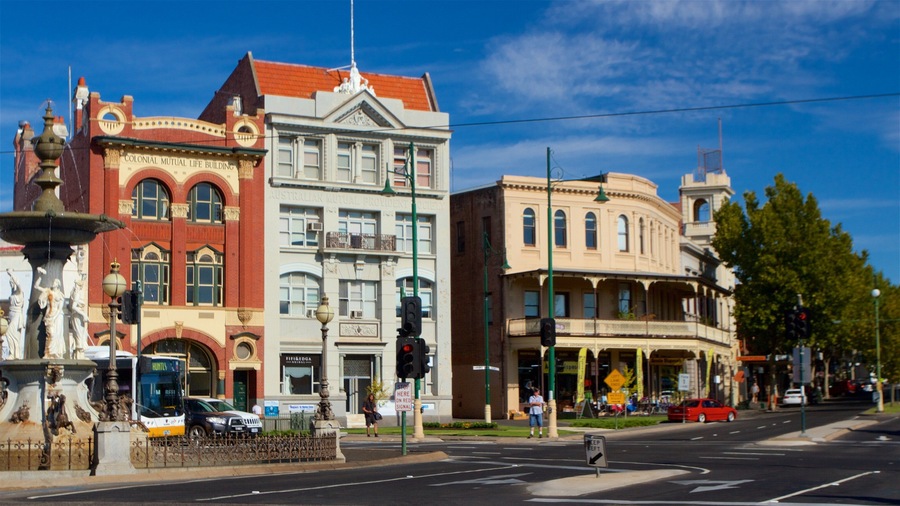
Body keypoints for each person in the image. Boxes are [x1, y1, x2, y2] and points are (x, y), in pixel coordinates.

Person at [34, 267, 66, 359]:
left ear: (58, 285)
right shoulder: (48, 291)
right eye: (54, 282)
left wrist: (55, 317)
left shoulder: (60, 296)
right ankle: (48, 353)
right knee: (50, 334)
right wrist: (40, 276)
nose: (54, 283)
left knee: (57, 335)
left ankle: (55, 352)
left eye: (56, 282)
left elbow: (60, 308)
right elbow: (36, 286)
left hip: (57, 316)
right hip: (49, 315)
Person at [5, 270, 26, 360]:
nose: (10, 284)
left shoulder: (20, 293)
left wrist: (11, 274)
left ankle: (13, 353)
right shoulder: (13, 293)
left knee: (9, 333)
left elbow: (19, 285)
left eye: (11, 283)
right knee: (15, 335)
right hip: (12, 315)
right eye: (10, 283)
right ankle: (14, 354)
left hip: (17, 315)